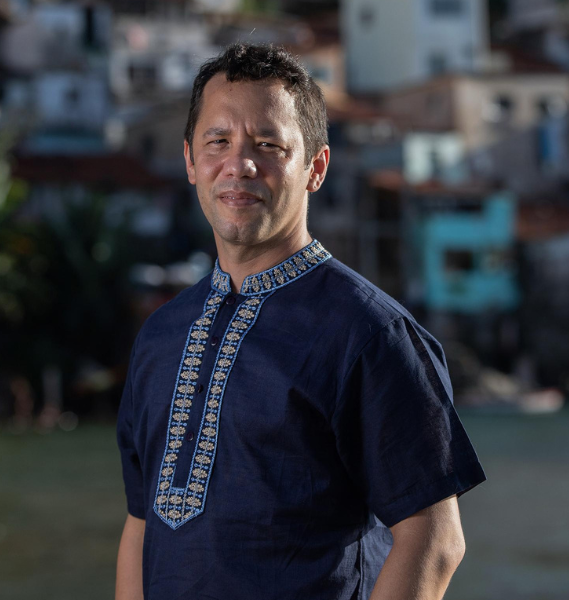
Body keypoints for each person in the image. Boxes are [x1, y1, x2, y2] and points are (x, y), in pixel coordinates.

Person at [116, 43, 486, 600]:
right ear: (190, 160)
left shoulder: (370, 334)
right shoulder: (160, 336)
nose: (239, 164)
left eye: (268, 145)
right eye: (218, 142)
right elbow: (141, 524)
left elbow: (434, 540)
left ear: (315, 167)